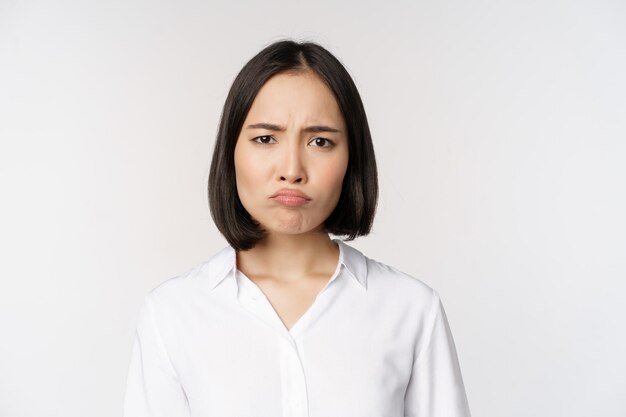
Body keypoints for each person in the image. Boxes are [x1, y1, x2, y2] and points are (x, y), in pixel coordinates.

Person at [122, 39, 472, 417]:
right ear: (231, 151)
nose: (292, 169)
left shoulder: (411, 310)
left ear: (351, 158)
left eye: (320, 141)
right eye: (265, 138)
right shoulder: (172, 313)